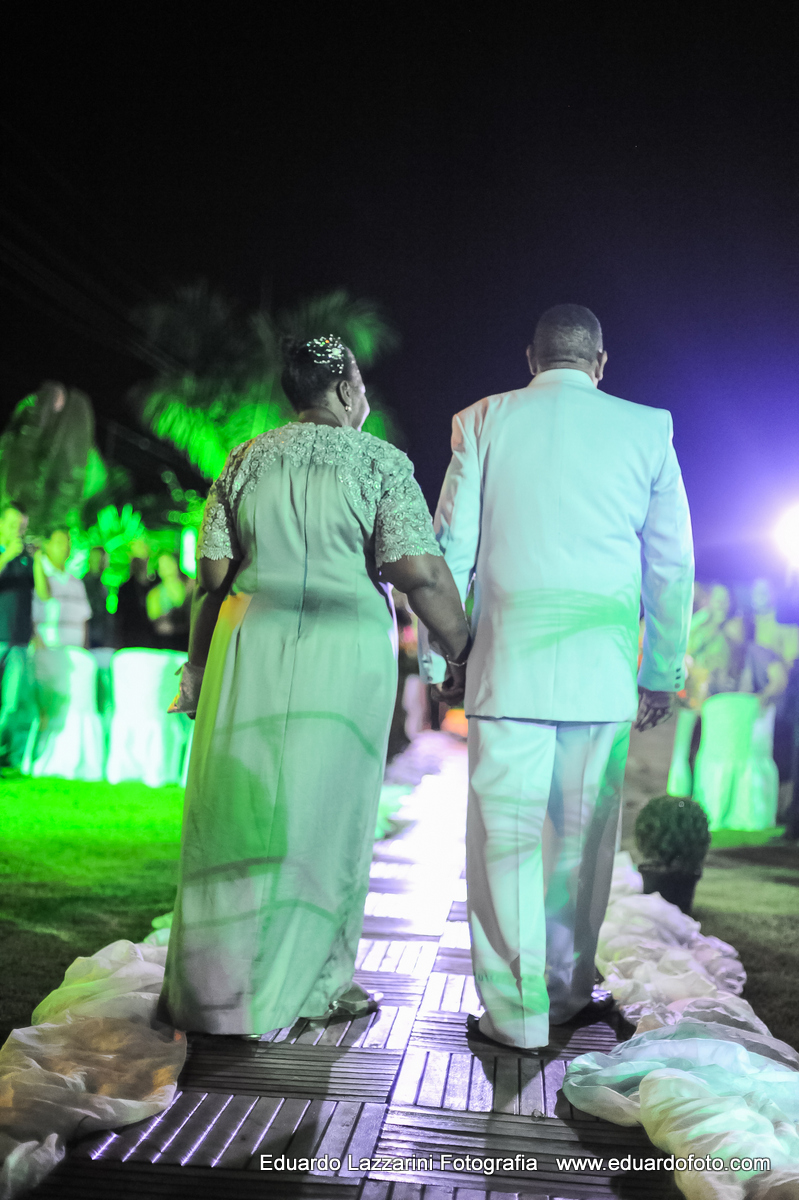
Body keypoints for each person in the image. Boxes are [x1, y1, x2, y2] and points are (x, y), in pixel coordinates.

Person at [158, 335, 470, 1035]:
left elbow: (211, 581)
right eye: (357, 382)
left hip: (248, 644)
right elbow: (418, 572)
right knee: (330, 812)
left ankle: (217, 982)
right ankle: (316, 982)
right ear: (343, 389)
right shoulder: (379, 462)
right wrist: (463, 647)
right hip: (341, 650)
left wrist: (198, 669)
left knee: (239, 806)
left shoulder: (244, 458)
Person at [419, 304, 694, 1050]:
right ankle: (568, 994)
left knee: (503, 842)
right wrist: (660, 669)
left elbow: (449, 550)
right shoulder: (648, 428)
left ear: (530, 359)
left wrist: (439, 658)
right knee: (579, 844)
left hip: (505, 667)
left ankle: (512, 1014)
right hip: (600, 671)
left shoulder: (481, 419)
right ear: (600, 363)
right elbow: (670, 563)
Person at [0, 502, 50, 767]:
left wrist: (39, 558)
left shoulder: (26, 559)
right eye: (11, 525)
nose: (17, 531)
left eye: (21, 527)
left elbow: (44, 594)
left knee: (10, 703)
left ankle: (6, 756)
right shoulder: (5, 553)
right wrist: (7, 554)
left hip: (18, 640)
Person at [32, 527, 92, 648]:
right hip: (46, 652)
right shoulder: (36, 577)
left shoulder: (77, 583)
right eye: (59, 542)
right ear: (46, 544)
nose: (65, 548)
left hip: (74, 653)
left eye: (67, 543)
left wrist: (85, 648)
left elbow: (84, 619)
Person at [146, 552, 193, 651]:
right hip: (165, 645)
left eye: (168, 563)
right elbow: (156, 623)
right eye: (162, 565)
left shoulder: (190, 588)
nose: (166, 568)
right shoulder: (154, 595)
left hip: (188, 644)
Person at [115, 539, 156, 648]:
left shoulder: (155, 585)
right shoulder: (126, 589)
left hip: (152, 642)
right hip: (130, 641)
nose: (141, 563)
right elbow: (120, 619)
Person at [84, 546, 115, 649]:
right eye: (95, 558)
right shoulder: (84, 584)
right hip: (91, 637)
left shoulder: (104, 584)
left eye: (100, 559)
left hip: (102, 637)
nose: (97, 562)